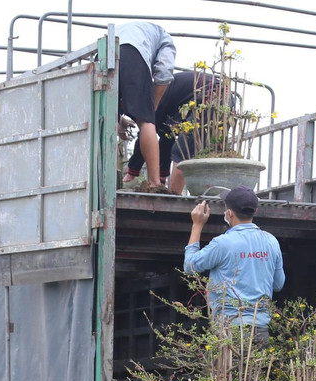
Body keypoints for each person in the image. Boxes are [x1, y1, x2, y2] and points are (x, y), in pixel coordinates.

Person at [184, 187, 284, 344]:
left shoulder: (222, 243)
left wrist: (197, 225)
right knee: (254, 369)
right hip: (261, 328)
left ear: (229, 213)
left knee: (226, 369)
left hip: (229, 330)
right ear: (255, 211)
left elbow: (190, 266)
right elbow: (278, 284)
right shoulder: (271, 241)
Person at [124, 70, 213, 194]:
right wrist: (162, 176)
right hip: (212, 96)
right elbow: (167, 138)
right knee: (177, 143)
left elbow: (145, 136)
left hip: (211, 96)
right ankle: (173, 193)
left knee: (182, 150)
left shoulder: (155, 98)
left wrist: (132, 172)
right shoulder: (168, 106)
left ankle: (174, 199)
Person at [114, 22, 176, 191]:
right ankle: (155, 183)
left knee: (103, 119)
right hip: (133, 53)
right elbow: (164, 72)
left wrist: (118, 119)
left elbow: (117, 94)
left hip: (103, 51)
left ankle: (103, 179)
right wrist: (153, 106)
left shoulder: (126, 29)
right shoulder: (165, 38)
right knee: (147, 122)